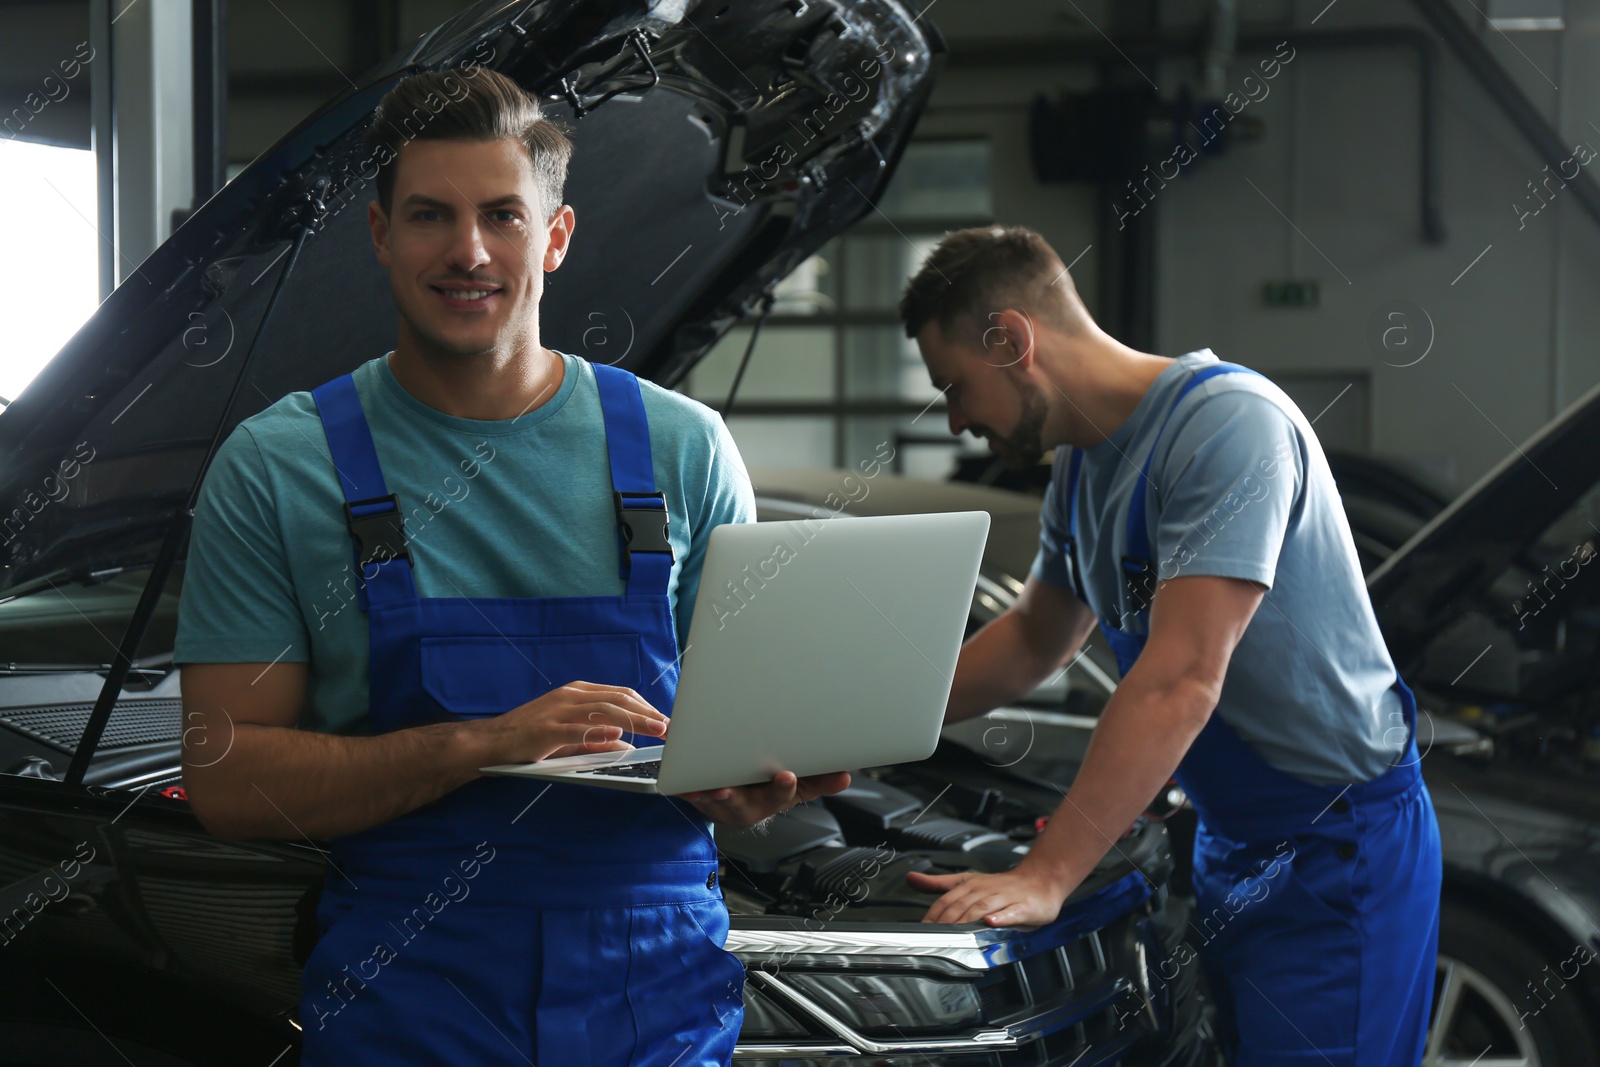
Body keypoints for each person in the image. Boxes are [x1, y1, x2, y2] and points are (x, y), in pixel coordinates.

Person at [173, 69, 848, 1066]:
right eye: (430, 215)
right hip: (411, 996)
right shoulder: (281, 465)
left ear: (558, 236)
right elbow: (228, 779)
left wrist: (755, 784)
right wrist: (483, 742)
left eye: (502, 214)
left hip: (653, 994)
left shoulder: (683, 449)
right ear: (378, 234)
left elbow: (745, 728)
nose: (468, 250)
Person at [898, 226, 1442, 1066]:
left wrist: (1047, 874)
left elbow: (1183, 677)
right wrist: (865, 719)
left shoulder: (1228, 427)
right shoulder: (1082, 468)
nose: (960, 419)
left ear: (1010, 339)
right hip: (1233, 842)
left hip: (1340, 850)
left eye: (956, 387)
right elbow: (1038, 637)